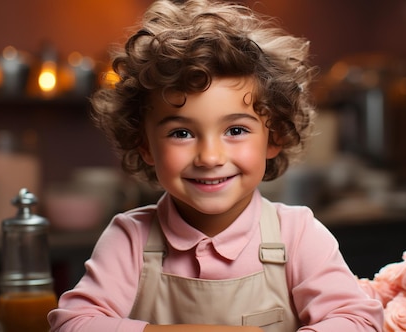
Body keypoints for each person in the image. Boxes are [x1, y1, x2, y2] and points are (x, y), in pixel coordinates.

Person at [47, 0, 383, 331]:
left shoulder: (297, 236)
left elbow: (359, 322)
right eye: (182, 133)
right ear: (145, 145)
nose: (209, 157)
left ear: (274, 137)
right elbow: (74, 325)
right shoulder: (130, 238)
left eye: (236, 130)